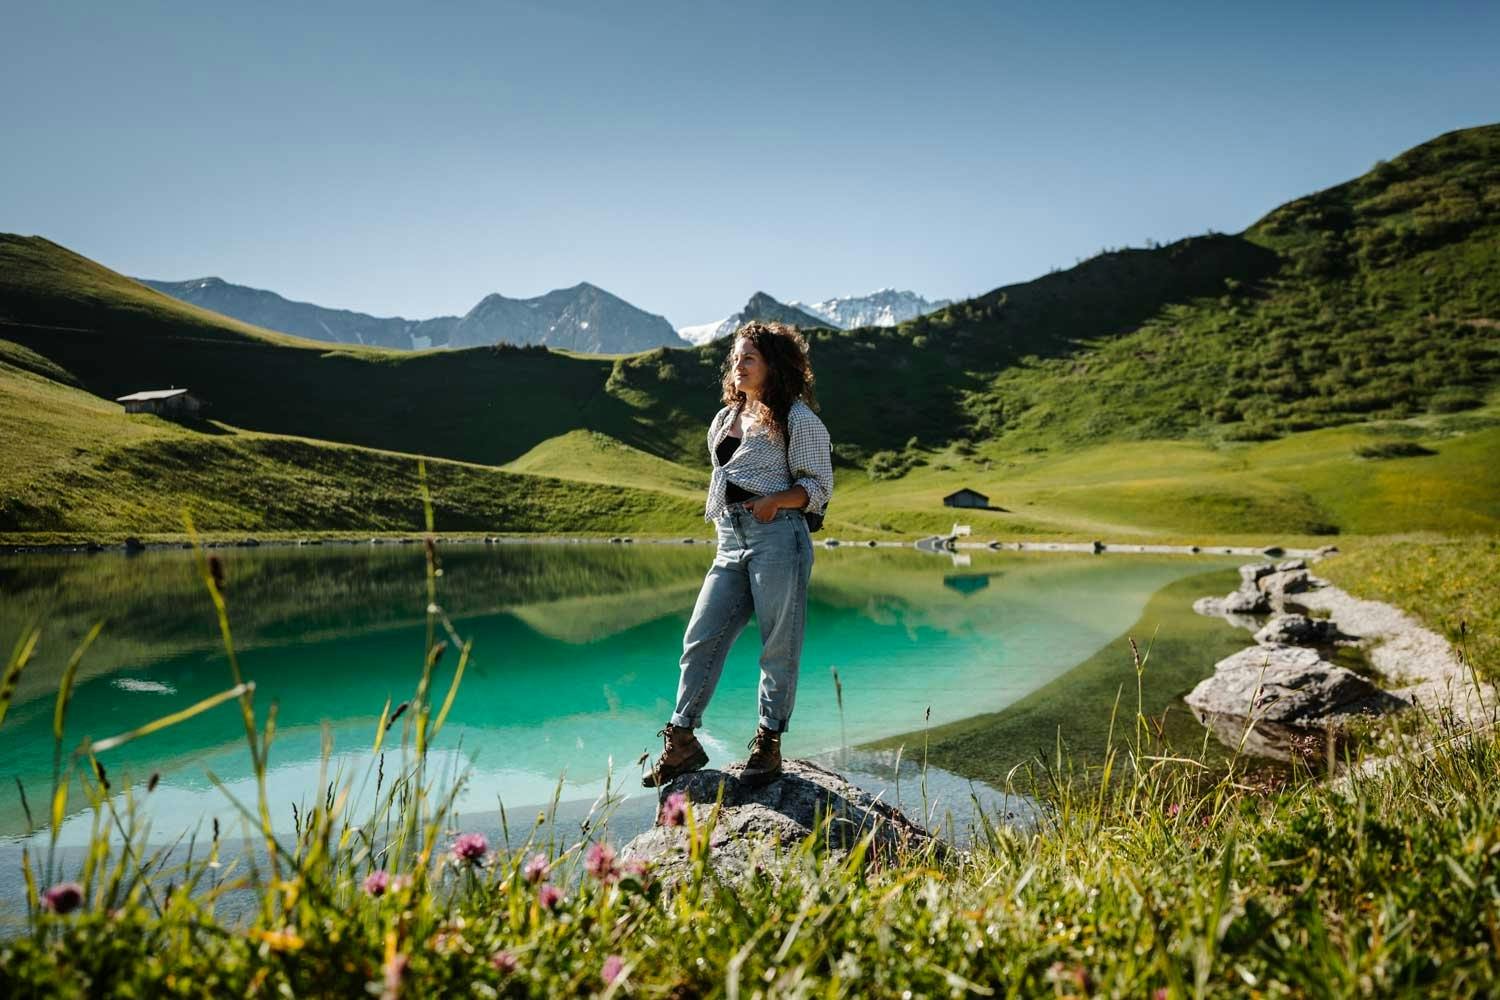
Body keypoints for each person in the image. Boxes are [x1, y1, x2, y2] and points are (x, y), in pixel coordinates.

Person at [643, 321, 833, 788]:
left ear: (773, 365)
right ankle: (682, 740)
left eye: (749, 357)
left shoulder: (798, 419)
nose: (738, 365)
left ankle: (768, 744)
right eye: (736, 357)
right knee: (699, 639)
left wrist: (775, 501)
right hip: (730, 539)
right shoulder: (726, 417)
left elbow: (818, 487)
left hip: (778, 537)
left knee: (777, 646)